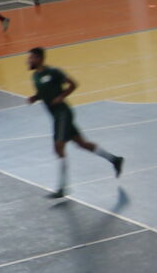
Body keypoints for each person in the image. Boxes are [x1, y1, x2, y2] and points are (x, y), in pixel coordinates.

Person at [25, 46, 124, 199]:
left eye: (31, 58)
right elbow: (43, 92)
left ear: (39, 59)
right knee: (82, 144)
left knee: (58, 147)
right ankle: (115, 160)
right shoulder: (35, 77)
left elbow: (73, 84)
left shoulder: (53, 72)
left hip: (63, 114)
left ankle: (62, 187)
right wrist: (35, 97)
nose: (28, 61)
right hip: (56, 116)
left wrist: (61, 96)